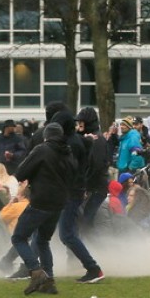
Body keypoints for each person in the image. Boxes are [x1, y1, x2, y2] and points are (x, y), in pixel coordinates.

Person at [9, 123, 76, 295]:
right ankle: (49, 281)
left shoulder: (42, 149)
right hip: (59, 202)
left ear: (46, 136)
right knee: (43, 240)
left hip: (41, 201)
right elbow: (73, 175)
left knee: (18, 237)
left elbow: (21, 172)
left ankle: (35, 271)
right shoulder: (68, 152)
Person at [51, 110, 105, 284]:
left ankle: (92, 267)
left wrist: (85, 187)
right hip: (76, 190)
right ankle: (80, 265)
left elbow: (88, 167)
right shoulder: (82, 139)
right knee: (71, 230)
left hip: (76, 191)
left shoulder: (75, 142)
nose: (79, 124)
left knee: (70, 232)